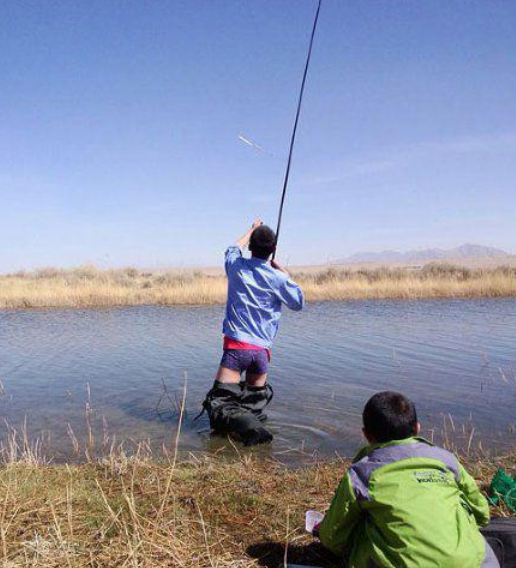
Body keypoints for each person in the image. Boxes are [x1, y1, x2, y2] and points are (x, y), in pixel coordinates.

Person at [315, 391, 500, 568]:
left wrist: (323, 531)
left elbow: (333, 538)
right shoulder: (446, 460)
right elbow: (482, 514)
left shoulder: (361, 474)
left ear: (366, 435)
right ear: (418, 428)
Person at [201, 219, 304, 446]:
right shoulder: (278, 278)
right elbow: (298, 303)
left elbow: (231, 249)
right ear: (273, 250)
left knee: (220, 404)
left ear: (251, 247)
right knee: (253, 407)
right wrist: (284, 273)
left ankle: (231, 443)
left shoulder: (237, 267)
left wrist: (252, 228)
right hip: (261, 354)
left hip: (237, 350)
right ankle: (255, 447)